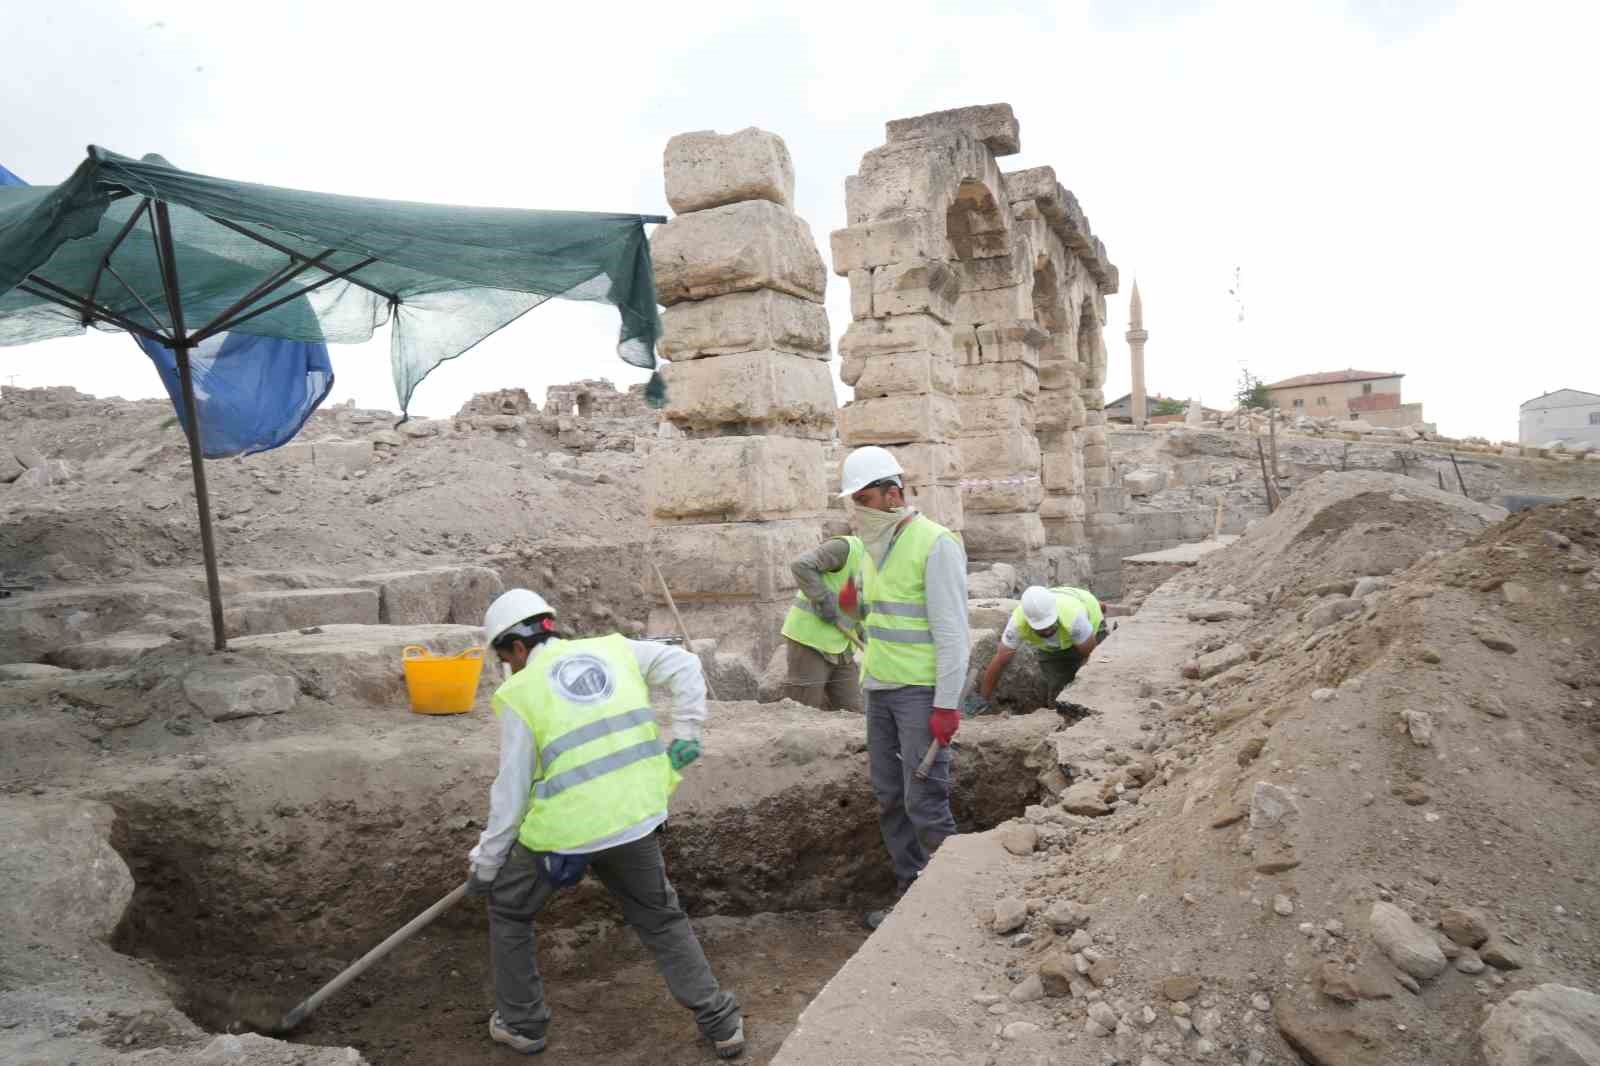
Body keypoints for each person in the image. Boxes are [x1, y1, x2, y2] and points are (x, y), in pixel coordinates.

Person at [467, 588, 745, 1059]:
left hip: (566, 831)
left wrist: (487, 863)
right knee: (660, 919)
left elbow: (510, 792)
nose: (509, 668)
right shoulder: (614, 648)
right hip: (635, 815)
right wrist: (688, 731)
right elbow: (685, 666)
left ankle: (522, 1024)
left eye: (506, 658)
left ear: (516, 648)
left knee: (510, 910)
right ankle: (722, 1023)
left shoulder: (520, 692)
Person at [838, 446, 970, 930]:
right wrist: (851, 603)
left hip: (920, 693)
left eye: (863, 498)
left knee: (924, 798)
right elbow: (874, 616)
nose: (857, 509)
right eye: (853, 500)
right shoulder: (872, 548)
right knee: (890, 795)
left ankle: (954, 901)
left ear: (892, 495)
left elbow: (953, 633)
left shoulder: (934, 543)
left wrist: (946, 705)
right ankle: (911, 892)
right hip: (880, 688)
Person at [966, 585, 1106, 716]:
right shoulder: (1017, 623)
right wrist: (982, 699)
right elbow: (1000, 660)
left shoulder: (1074, 618)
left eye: (1050, 625)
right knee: (1058, 692)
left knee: (1092, 685)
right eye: (1040, 629)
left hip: (1087, 621)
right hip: (1055, 646)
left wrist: (1076, 684)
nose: (1046, 631)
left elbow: (1090, 656)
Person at [781, 533, 866, 711]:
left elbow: (859, 604)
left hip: (842, 646)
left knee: (852, 712)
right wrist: (823, 599)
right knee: (804, 709)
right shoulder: (847, 548)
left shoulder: (884, 568)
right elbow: (801, 565)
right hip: (810, 641)